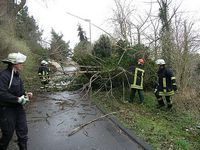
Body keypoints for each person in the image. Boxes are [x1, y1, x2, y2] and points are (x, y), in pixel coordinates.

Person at [0, 52, 33, 150]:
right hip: (6, 110)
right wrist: (17, 99)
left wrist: (26, 95)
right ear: (14, 63)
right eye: (20, 63)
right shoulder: (4, 76)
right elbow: (1, 93)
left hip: (18, 109)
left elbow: (21, 91)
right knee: (8, 134)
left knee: (23, 132)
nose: (22, 65)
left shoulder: (17, 75)